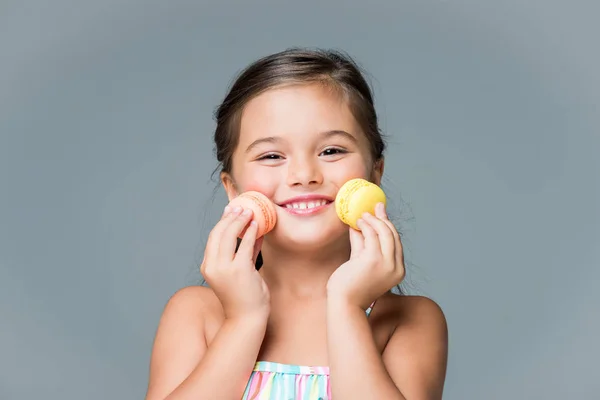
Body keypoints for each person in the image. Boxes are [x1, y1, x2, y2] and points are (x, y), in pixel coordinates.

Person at [145, 48, 448, 400]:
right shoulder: (196, 313)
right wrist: (244, 320)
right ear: (233, 189)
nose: (304, 175)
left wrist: (347, 308)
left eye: (332, 151)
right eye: (271, 156)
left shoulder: (411, 320)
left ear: (374, 174)